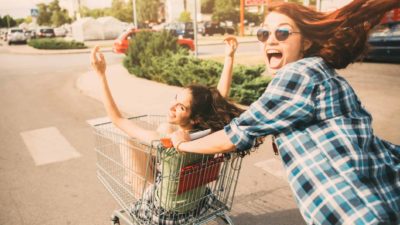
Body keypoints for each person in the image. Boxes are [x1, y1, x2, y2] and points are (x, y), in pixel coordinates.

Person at [171, 1, 400, 224]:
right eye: (263, 34)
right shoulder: (318, 72)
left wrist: (182, 144)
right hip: (378, 199)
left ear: (307, 42)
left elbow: (234, 136)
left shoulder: (299, 73)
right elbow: (253, 119)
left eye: (282, 33)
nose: (271, 39)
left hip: (358, 210)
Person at [90, 36, 253, 224]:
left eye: (181, 107)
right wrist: (229, 57)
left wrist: (101, 75)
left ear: (196, 118)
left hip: (163, 212)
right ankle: (146, 173)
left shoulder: (165, 139)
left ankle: (135, 180)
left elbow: (117, 120)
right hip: (197, 202)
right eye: (175, 98)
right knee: (166, 126)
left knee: (127, 141)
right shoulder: (211, 132)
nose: (171, 107)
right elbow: (219, 98)